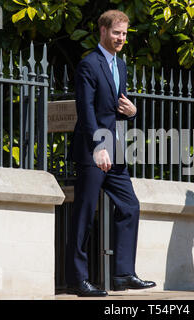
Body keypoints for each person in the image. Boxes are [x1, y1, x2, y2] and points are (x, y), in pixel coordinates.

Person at [65, 9, 156, 297]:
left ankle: (123, 273)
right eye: (116, 33)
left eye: (124, 34)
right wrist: (98, 146)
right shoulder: (88, 65)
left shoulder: (121, 64)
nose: (121, 38)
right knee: (83, 213)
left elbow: (117, 106)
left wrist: (132, 112)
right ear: (103, 31)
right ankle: (77, 280)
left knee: (130, 206)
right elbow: (86, 109)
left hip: (115, 150)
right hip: (94, 151)